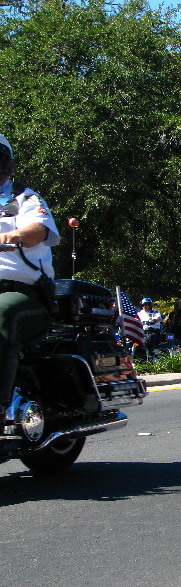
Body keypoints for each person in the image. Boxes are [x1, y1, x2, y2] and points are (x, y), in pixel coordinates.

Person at [0, 133, 61, 423]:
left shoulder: (24, 197)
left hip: (24, 292)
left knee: (1, 314)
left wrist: (13, 235)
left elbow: (38, 228)